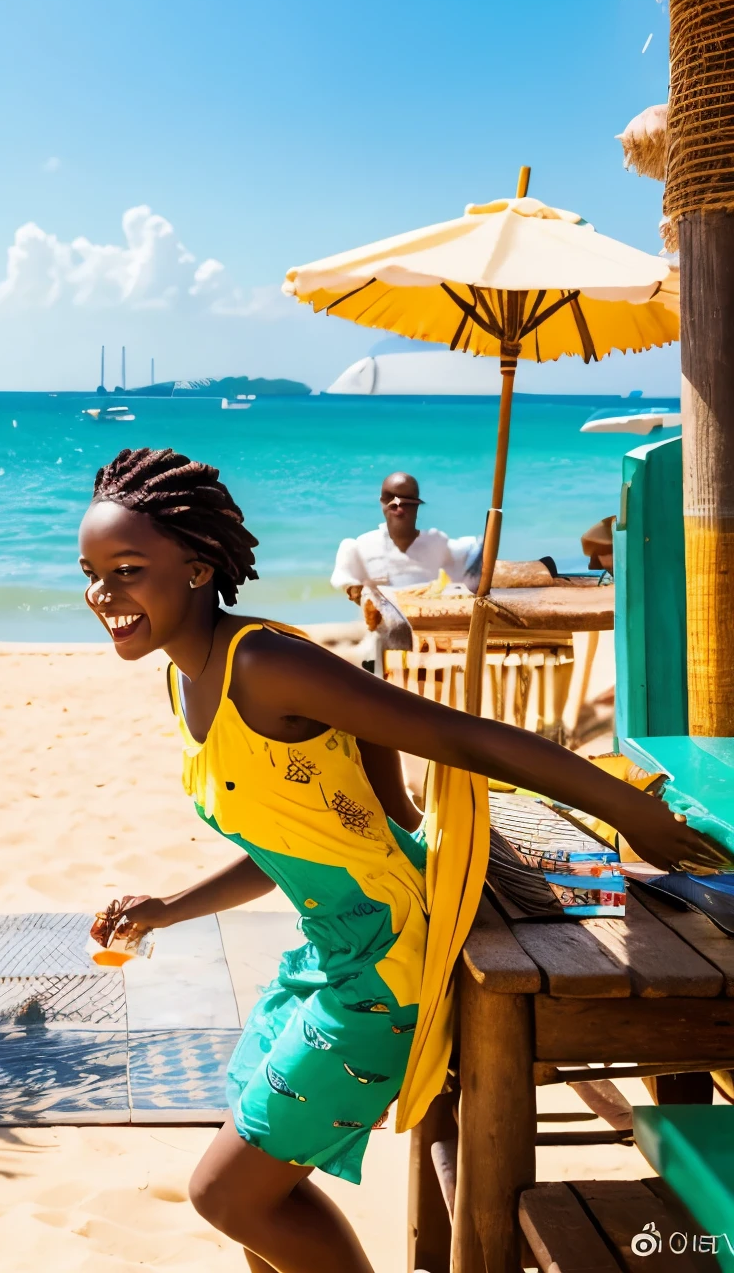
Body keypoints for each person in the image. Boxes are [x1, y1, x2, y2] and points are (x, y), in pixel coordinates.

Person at [78, 447, 723, 1273]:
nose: (104, 595)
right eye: (92, 573)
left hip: (385, 970)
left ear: (199, 568)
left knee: (227, 1195)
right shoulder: (182, 680)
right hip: (325, 955)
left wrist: (630, 810)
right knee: (253, 1195)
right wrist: (169, 907)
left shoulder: (265, 665)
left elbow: (457, 734)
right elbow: (293, 844)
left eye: (127, 570)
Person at [331, 471, 480, 672]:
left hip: (432, 639)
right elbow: (351, 587)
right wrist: (365, 595)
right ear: (382, 502)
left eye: (407, 501)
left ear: (418, 505)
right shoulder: (360, 545)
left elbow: (472, 557)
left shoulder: (436, 543)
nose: (398, 506)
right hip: (381, 640)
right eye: (391, 500)